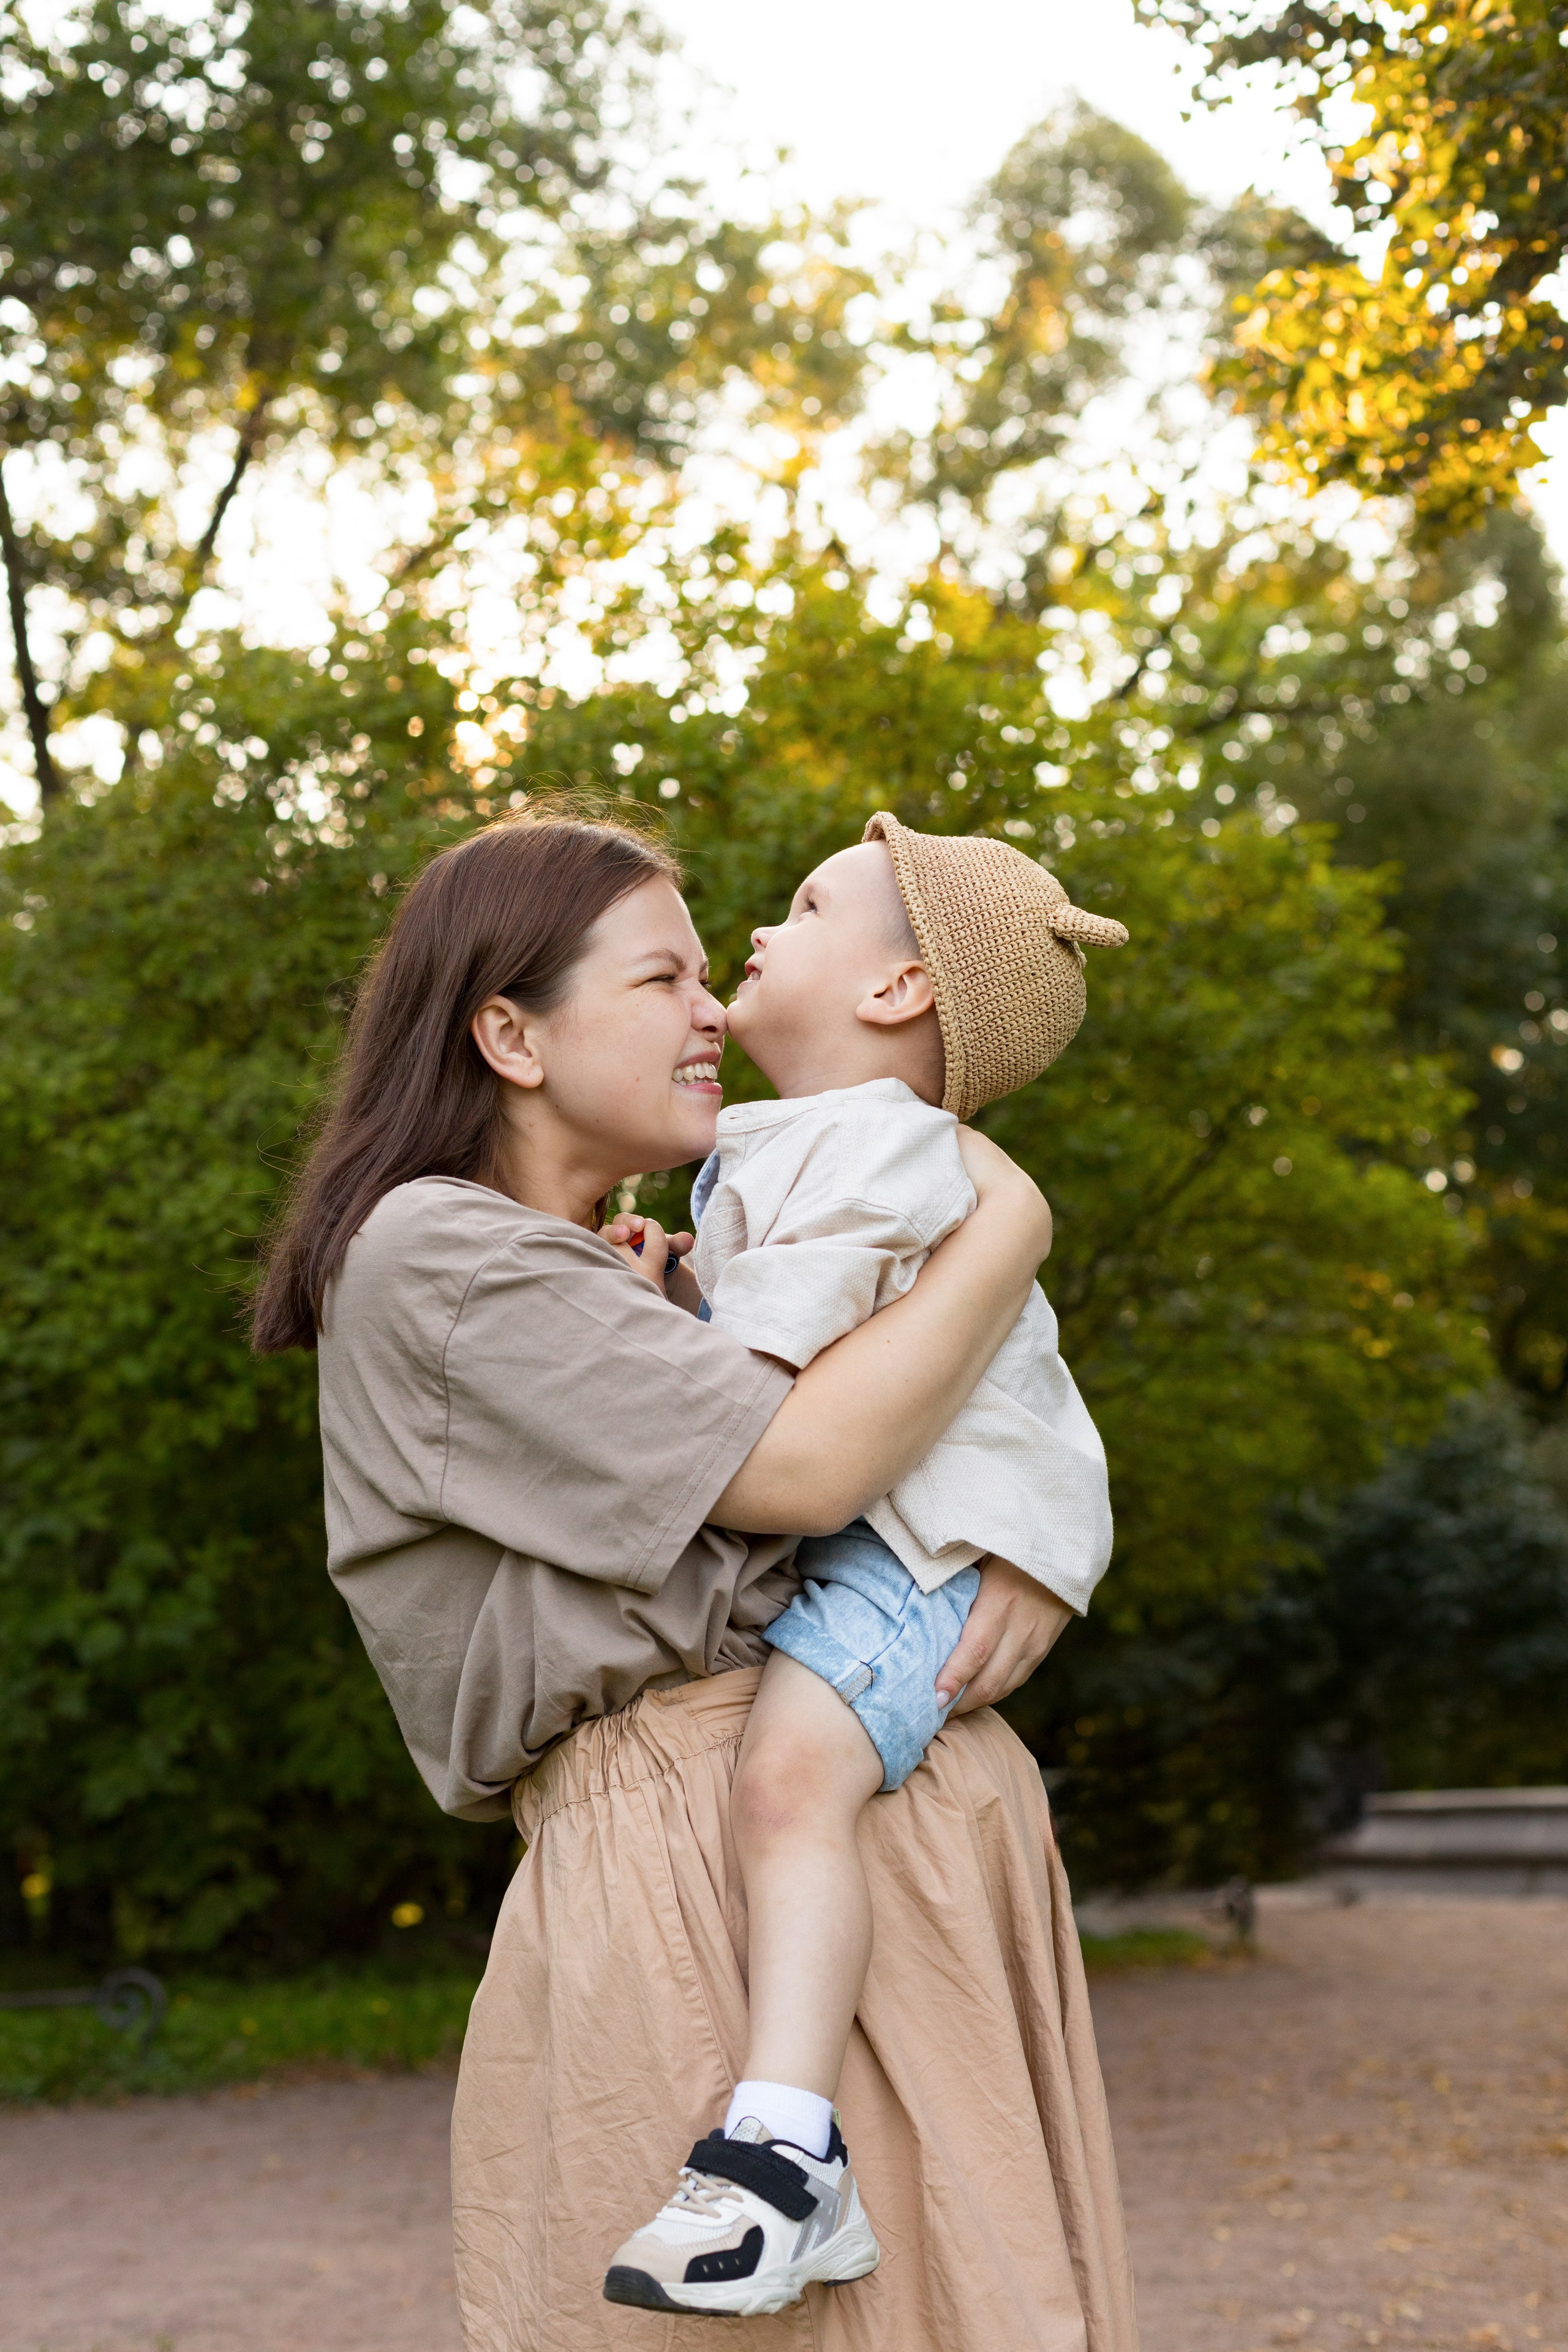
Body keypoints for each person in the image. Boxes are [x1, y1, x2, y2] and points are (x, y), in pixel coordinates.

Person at [251, 804, 1139, 2352]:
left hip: (844, 1816)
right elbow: (804, 1468)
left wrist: (1029, 1541)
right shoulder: (435, 1254)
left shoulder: (640, 1254)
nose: (714, 1007)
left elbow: (890, 1464)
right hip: (697, 1846)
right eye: (664, 978)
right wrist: (1011, 1219)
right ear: (510, 1036)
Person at [605, 812, 1127, 2318]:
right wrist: (679, 1284)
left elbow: (759, 1400)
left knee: (786, 1785)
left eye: (805, 903)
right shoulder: (807, 1143)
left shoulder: (869, 1141)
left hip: (925, 1554)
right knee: (783, 1783)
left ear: (897, 991)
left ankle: (779, 2161)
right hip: (906, 1541)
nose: (758, 934)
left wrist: (662, 1322)